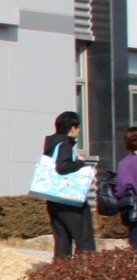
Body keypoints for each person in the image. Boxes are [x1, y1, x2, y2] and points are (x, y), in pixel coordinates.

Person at [39, 110, 94, 258]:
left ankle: (61, 270)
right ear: (73, 128)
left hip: (54, 199)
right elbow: (62, 167)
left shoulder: (52, 144)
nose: (79, 131)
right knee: (84, 240)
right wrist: (80, 162)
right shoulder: (64, 145)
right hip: (69, 200)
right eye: (78, 127)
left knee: (62, 241)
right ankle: (86, 270)